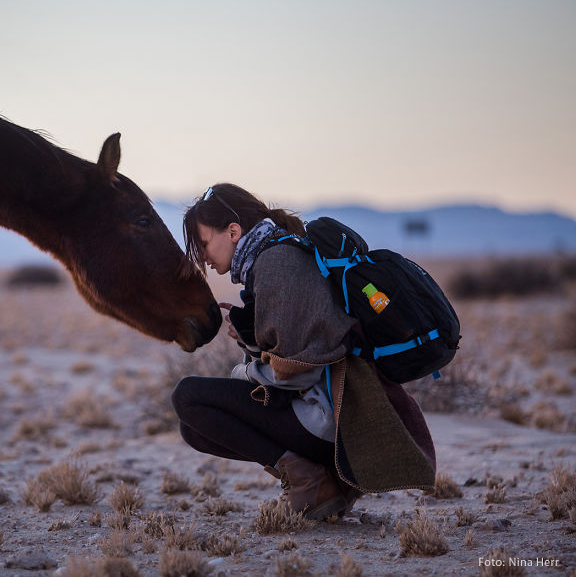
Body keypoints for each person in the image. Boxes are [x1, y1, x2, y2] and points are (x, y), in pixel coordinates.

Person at [171, 183, 436, 520]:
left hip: (330, 420)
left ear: (233, 232)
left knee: (188, 396)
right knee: (193, 427)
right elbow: (294, 350)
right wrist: (250, 339)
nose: (203, 257)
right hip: (328, 413)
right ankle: (329, 484)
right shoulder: (276, 255)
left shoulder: (276, 263)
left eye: (204, 243)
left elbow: (296, 373)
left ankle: (310, 480)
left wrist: (244, 371)